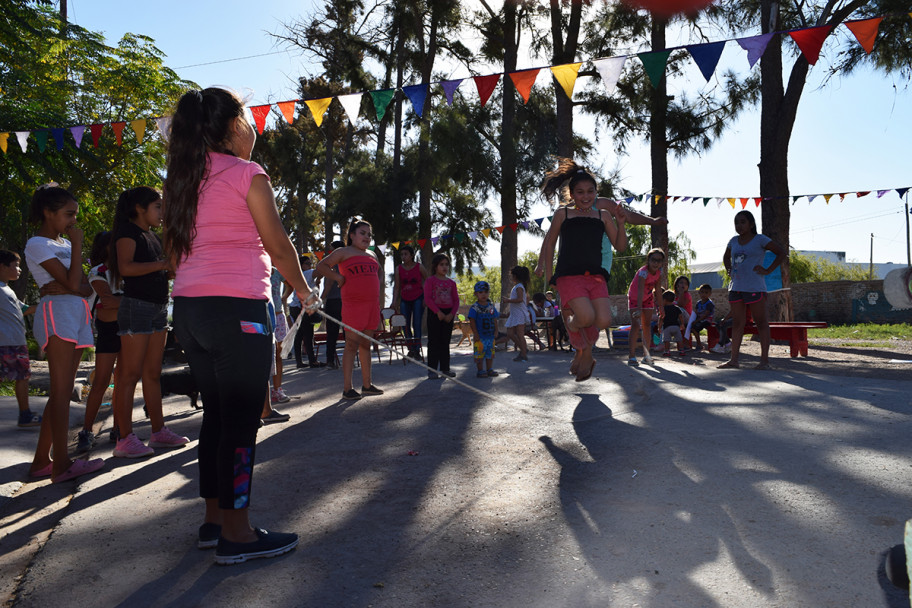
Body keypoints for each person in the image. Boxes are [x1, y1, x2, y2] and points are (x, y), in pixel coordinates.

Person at [164, 87, 316, 564]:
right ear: (233, 128)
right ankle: (238, 533)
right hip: (237, 312)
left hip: (189, 312)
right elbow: (279, 245)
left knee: (217, 416)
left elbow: (173, 257)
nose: (253, 128)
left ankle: (214, 521)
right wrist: (304, 292)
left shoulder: (180, 181)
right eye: (248, 119)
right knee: (241, 423)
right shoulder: (248, 174)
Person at [24, 185, 104, 483]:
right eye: (68, 214)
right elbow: (74, 284)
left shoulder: (66, 245)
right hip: (57, 314)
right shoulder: (37, 243)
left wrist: (73, 284)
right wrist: (78, 250)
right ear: (48, 213)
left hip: (76, 313)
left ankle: (40, 463)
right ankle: (62, 465)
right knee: (60, 394)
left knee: (61, 392)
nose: (73, 221)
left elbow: (84, 287)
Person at [109, 186, 188, 458]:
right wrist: (163, 265)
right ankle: (124, 438)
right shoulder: (127, 233)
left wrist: (170, 268)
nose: (162, 212)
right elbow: (126, 268)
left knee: (153, 374)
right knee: (129, 375)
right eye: (158, 206)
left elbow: (156, 270)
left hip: (157, 308)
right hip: (136, 309)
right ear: (139, 209)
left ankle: (159, 431)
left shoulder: (152, 236)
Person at [536, 159, 628, 381]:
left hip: (596, 276)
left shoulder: (603, 216)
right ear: (571, 194)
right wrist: (550, 276)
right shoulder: (563, 215)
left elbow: (620, 246)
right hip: (569, 275)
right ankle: (583, 348)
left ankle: (582, 351)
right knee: (585, 316)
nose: (585, 196)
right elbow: (549, 244)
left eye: (590, 191)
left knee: (604, 320)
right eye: (580, 192)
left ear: (596, 192)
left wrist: (621, 223)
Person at [316, 220, 383, 400]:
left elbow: (378, 275)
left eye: (369, 234)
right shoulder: (343, 252)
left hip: (372, 306)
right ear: (352, 235)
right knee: (351, 345)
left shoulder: (372, 255)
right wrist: (338, 277)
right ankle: (347, 388)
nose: (367, 237)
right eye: (362, 233)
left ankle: (367, 385)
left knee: (366, 344)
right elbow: (321, 266)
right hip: (353, 305)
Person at [719, 210, 785, 370]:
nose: (739, 225)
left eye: (743, 222)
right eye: (736, 222)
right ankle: (733, 360)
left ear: (751, 224)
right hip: (736, 288)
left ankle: (764, 361)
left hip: (755, 287)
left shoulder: (760, 239)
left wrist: (768, 270)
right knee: (737, 324)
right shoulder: (733, 241)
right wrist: (729, 270)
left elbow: (781, 253)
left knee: (761, 323)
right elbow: (726, 257)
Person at [78, 231, 123, 451]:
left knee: (124, 382)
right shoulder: (99, 271)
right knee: (101, 381)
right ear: (106, 247)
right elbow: (106, 301)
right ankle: (86, 431)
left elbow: (114, 302)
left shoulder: (127, 269)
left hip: (130, 328)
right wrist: (132, 301)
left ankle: (119, 429)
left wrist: (118, 301)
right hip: (108, 330)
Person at [0, 250, 40, 428]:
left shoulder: (7, 289)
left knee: (23, 377)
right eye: (15, 265)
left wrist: (48, 303)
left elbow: (24, 309)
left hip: (15, 342)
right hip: (5, 342)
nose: (19, 269)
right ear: (2, 266)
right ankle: (25, 414)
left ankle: (25, 414)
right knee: (22, 377)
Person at [626, 248, 666, 366]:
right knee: (635, 325)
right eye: (653, 260)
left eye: (659, 261)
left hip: (648, 299)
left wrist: (661, 307)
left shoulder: (659, 272)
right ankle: (632, 356)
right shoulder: (643, 272)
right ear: (648, 260)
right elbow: (640, 290)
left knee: (647, 325)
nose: (656, 263)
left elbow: (658, 290)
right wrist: (638, 308)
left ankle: (646, 355)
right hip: (635, 298)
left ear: (662, 262)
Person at [423, 253, 459, 379]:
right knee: (433, 342)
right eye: (441, 264)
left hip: (448, 314)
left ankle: (445, 369)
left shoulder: (451, 283)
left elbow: (456, 301)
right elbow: (427, 298)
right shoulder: (430, 280)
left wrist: (451, 314)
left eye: (446, 265)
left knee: (445, 342)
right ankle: (432, 370)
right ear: (435, 266)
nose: (444, 267)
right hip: (435, 314)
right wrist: (437, 312)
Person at [392, 245, 428, 360]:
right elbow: (397, 287)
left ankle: (417, 350)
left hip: (418, 297)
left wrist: (426, 298)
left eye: (406, 254)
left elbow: (427, 282)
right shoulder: (399, 269)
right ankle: (410, 349)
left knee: (416, 323)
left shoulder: (419, 267)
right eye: (402, 254)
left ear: (412, 255)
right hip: (405, 299)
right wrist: (394, 302)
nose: (403, 256)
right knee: (405, 325)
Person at [289, 256, 324, 370]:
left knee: (299, 335)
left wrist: (317, 281)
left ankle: (299, 362)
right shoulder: (307, 273)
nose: (310, 266)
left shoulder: (298, 275)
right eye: (308, 263)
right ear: (302, 265)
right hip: (302, 308)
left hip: (295, 307)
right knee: (308, 334)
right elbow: (320, 271)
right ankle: (312, 361)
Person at [316, 241, 345, 368]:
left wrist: (320, 299)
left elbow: (328, 285)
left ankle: (330, 361)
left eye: (331, 250)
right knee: (348, 332)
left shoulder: (333, 266)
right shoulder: (348, 264)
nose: (330, 253)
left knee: (332, 334)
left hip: (334, 301)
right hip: (346, 301)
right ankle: (350, 360)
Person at [468, 281, 499, 378]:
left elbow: (494, 318)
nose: (483, 294)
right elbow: (472, 321)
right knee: (479, 354)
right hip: (480, 336)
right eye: (480, 292)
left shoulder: (491, 306)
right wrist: (475, 333)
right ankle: (480, 370)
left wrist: (496, 330)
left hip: (490, 335)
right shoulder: (474, 308)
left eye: (486, 292)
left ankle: (489, 369)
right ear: (476, 294)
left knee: (490, 354)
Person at [502, 265, 531, 362]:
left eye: (512, 275)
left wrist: (508, 300)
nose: (511, 277)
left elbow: (519, 300)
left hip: (520, 314)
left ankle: (523, 354)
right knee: (510, 333)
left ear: (516, 276)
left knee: (520, 334)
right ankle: (523, 349)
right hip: (515, 313)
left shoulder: (519, 287)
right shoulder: (517, 286)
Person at [658, 290, 687, 357]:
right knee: (679, 340)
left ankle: (667, 351)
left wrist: (659, 327)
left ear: (664, 300)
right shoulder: (677, 308)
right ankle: (682, 350)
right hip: (676, 327)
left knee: (667, 340)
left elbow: (661, 318)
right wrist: (682, 324)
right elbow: (680, 316)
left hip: (667, 327)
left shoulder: (663, 309)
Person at [691, 284, 716, 351]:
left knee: (696, 328)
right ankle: (697, 343)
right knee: (692, 328)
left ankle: (699, 345)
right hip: (699, 320)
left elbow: (706, 315)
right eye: (702, 292)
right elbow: (696, 312)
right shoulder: (698, 303)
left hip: (707, 320)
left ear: (710, 294)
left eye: (706, 293)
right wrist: (693, 320)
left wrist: (696, 321)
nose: (703, 294)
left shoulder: (709, 303)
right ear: (699, 292)